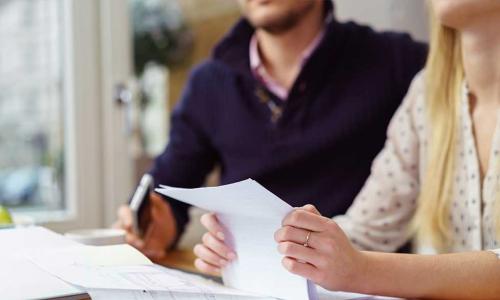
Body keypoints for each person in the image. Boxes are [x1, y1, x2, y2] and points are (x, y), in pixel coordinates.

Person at [198, 0, 500, 298]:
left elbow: (359, 262)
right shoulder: (427, 96)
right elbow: (365, 232)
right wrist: (253, 245)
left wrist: (363, 270)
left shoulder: (389, 58)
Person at [115, 0, 427, 262]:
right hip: (247, 283)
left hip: (361, 282)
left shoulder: (398, 63)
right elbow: (170, 187)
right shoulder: (210, 82)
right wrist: (157, 225)